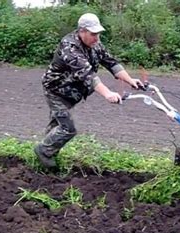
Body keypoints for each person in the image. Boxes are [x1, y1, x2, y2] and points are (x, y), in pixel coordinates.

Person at [34, 13, 143, 168]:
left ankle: (45, 159)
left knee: (56, 126)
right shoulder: (70, 47)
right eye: (93, 34)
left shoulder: (95, 44)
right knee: (67, 129)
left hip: (72, 92)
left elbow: (111, 63)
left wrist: (131, 80)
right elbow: (88, 75)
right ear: (82, 31)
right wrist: (108, 94)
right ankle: (43, 150)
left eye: (98, 34)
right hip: (56, 91)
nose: (97, 38)